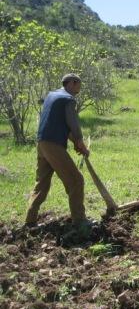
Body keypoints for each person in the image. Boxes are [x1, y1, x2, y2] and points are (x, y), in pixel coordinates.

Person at [25, 73, 91, 229]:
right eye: (78, 84)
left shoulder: (52, 96)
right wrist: (80, 142)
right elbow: (73, 124)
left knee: (41, 184)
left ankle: (30, 220)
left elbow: (59, 125)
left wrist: (76, 143)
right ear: (72, 83)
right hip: (54, 145)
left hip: (42, 144)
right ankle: (80, 220)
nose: (79, 89)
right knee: (76, 180)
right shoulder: (68, 99)